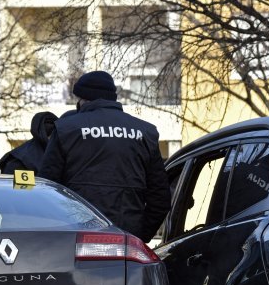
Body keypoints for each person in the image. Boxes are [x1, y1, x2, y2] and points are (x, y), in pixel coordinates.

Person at [39, 71, 171, 243]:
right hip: (126, 242)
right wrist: (139, 237)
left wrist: (60, 234)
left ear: (83, 99)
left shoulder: (67, 129)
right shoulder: (145, 132)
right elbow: (160, 198)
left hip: (76, 241)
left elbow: (47, 189)